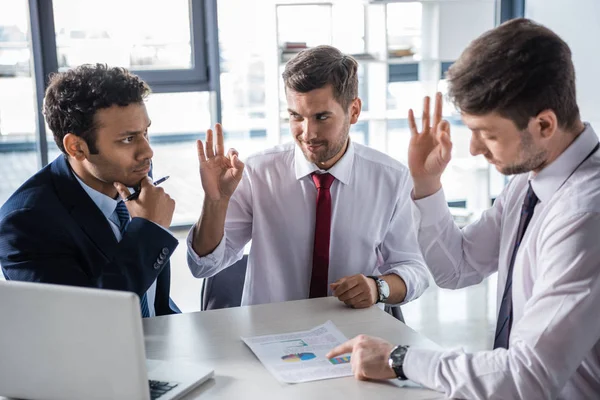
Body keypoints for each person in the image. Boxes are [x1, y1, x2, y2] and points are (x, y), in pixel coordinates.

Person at [327, 18, 600, 398]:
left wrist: (402, 359)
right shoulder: (529, 182)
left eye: (487, 134)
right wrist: (426, 185)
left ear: (544, 125)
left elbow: (529, 375)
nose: (473, 149)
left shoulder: (587, 215)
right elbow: (458, 268)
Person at [187, 45, 429, 309]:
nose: (307, 133)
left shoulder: (391, 179)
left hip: (353, 336)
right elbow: (203, 265)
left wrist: (377, 286)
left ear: (354, 111)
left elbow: (414, 269)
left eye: (321, 117)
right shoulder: (258, 173)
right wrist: (215, 202)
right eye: (296, 117)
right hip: (270, 336)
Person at [0, 64, 179, 317]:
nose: (147, 151)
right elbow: (83, 321)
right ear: (76, 147)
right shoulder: (25, 223)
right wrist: (149, 232)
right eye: (128, 139)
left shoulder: (132, 173)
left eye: (145, 132)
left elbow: (156, 302)